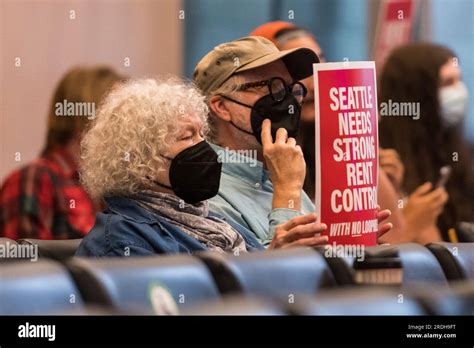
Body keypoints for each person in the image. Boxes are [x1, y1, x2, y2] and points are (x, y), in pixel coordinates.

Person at [76, 77, 361, 257]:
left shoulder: (210, 220)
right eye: (188, 137)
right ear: (141, 159)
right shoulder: (121, 241)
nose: (204, 148)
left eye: (202, 134)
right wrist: (271, 266)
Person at [194, 36, 392, 246]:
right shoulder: (206, 196)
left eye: (291, 89)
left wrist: (351, 252)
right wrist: (287, 190)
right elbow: (270, 274)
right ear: (222, 107)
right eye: (273, 87)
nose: (288, 101)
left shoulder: (275, 177)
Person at [249, 22, 408, 243]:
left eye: (319, 62)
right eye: (299, 72)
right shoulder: (256, 155)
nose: (313, 82)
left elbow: (398, 237)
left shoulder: (345, 142)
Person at [0, 66, 124, 240]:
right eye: (118, 117)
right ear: (86, 120)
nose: (127, 129)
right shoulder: (33, 179)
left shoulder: (112, 186)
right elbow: (24, 264)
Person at [379, 43, 473, 243]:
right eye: (448, 83)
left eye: (459, 80)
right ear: (418, 93)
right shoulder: (385, 159)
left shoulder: (460, 150)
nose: (459, 91)